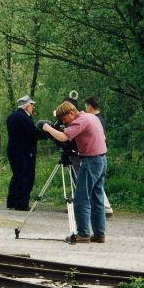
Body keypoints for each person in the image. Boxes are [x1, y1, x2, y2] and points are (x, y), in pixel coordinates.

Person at [42, 101, 107, 243]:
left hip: (91, 161)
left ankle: (83, 234)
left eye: (65, 120)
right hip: (102, 159)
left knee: (81, 198)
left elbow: (63, 137)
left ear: (71, 113)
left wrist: (47, 128)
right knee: (97, 198)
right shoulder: (92, 117)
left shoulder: (80, 121)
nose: (66, 124)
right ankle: (99, 234)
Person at [6, 95, 39, 211]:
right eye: (31, 105)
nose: (32, 107)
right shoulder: (24, 117)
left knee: (17, 175)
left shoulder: (12, 116)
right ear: (26, 106)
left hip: (12, 149)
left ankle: (12, 201)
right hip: (24, 150)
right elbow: (32, 133)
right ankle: (22, 203)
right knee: (26, 176)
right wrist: (47, 132)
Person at [84, 96, 114, 218]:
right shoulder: (101, 118)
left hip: (96, 155)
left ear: (90, 106)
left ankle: (105, 208)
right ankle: (104, 208)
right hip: (101, 153)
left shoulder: (94, 119)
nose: (85, 109)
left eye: (86, 106)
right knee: (97, 184)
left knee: (94, 185)